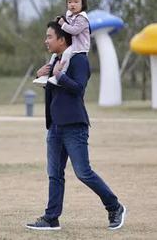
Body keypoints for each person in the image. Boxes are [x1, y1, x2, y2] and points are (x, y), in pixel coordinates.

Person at [26, 21, 126, 231]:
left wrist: (59, 75)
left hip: (74, 126)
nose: (46, 41)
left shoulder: (79, 60)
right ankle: (51, 218)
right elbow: (54, 89)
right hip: (55, 127)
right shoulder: (55, 60)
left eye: (49, 37)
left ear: (62, 39)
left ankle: (115, 207)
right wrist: (41, 75)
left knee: (83, 172)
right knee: (54, 174)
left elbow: (78, 89)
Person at [33, 0, 90, 86]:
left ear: (83, 3)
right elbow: (51, 92)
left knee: (67, 54)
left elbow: (74, 30)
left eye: (76, 2)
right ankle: (46, 75)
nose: (72, 4)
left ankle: (60, 74)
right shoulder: (71, 15)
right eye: (69, 2)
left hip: (79, 47)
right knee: (55, 55)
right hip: (73, 45)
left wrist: (59, 76)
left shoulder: (82, 18)